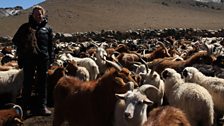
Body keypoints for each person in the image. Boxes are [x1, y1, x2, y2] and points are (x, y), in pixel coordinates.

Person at [12, 5, 54, 116]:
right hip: (29, 59)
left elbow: (51, 46)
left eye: (40, 14)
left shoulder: (48, 28)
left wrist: (51, 59)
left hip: (43, 59)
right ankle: (25, 108)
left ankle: (42, 107)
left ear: (43, 14)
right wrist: (25, 46)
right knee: (28, 83)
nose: (38, 16)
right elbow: (15, 40)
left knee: (42, 83)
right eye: (36, 14)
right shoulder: (25, 27)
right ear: (32, 15)